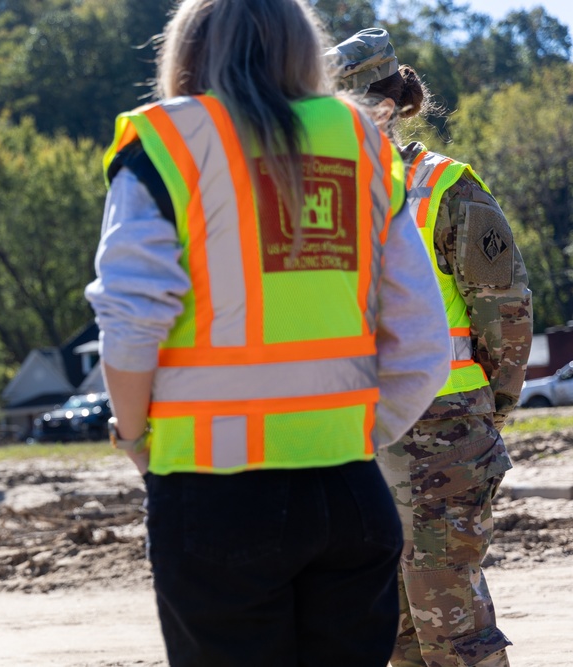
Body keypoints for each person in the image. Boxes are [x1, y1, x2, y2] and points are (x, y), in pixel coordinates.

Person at [84, 1, 454, 665]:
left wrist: (135, 436)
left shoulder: (165, 145)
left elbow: (131, 319)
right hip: (350, 494)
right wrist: (348, 434)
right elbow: (424, 345)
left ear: (187, 51)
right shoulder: (362, 140)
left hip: (214, 495)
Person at [327, 29, 534, 667]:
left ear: (383, 109)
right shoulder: (325, 196)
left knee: (450, 628)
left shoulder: (446, 188)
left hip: (444, 433)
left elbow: (506, 313)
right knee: (390, 636)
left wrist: (486, 413)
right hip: (359, 441)